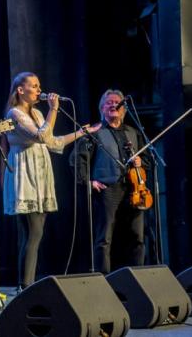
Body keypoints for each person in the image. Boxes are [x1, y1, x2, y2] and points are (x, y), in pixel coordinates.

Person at [2, 72, 100, 290]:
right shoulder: (14, 113)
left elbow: (53, 143)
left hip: (40, 174)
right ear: (21, 90)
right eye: (34, 86)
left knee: (34, 234)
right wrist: (54, 109)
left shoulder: (37, 113)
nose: (39, 90)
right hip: (25, 174)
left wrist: (80, 132)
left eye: (39, 85)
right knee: (34, 232)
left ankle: (26, 284)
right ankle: (26, 285)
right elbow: (40, 136)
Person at [72, 89, 149, 274]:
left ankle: (138, 277)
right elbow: (77, 159)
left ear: (124, 109)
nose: (113, 104)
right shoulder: (95, 132)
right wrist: (88, 181)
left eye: (117, 102)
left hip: (134, 188)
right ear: (102, 109)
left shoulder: (133, 132)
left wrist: (141, 162)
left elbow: (147, 160)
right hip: (108, 189)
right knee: (104, 238)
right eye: (109, 102)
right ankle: (104, 278)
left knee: (137, 236)